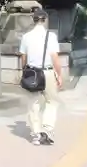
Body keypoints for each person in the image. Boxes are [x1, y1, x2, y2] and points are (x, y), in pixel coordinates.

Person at [19, 9, 62, 146]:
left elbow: (23, 57)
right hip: (48, 72)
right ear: (45, 20)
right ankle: (48, 129)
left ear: (34, 20)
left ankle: (36, 133)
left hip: (33, 73)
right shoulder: (51, 36)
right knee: (52, 101)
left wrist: (24, 71)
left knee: (33, 103)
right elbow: (55, 57)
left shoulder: (26, 37)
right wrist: (59, 75)